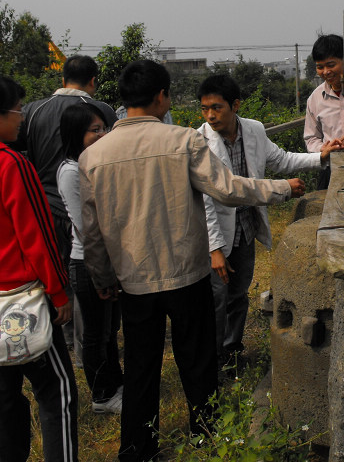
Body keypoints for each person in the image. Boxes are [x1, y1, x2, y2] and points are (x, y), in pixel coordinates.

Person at [80, 60, 306, 461]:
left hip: (135, 282)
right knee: (198, 362)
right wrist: (281, 188)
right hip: (186, 274)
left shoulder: (93, 156)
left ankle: (136, 449)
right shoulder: (183, 141)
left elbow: (92, 231)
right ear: (162, 96)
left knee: (141, 368)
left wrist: (102, 277)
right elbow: (228, 189)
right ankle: (206, 434)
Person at [197, 74, 342, 365]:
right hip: (216, 234)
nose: (210, 115)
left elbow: (281, 159)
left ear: (235, 105)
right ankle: (210, 359)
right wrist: (213, 249)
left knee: (238, 294)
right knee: (215, 299)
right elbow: (206, 201)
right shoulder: (199, 141)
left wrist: (320, 157)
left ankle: (232, 349)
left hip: (245, 227)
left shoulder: (253, 130)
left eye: (217, 107)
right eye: (204, 108)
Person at [13, 55, 117, 352]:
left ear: (62, 79)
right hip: (89, 211)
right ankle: (88, 346)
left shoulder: (33, 111)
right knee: (87, 276)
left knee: (58, 277)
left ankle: (63, 339)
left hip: (45, 210)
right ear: (94, 81)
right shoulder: (100, 111)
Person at [0, 76, 79, 462]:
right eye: (17, 109)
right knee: (57, 390)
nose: (21, 118)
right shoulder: (11, 163)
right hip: (22, 300)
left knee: (4, 398)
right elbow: (37, 235)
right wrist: (59, 292)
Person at [57, 102, 124, 414]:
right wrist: (101, 270)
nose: (102, 134)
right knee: (95, 334)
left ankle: (115, 384)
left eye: (103, 128)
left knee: (110, 331)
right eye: (94, 130)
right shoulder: (71, 171)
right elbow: (85, 227)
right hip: (87, 262)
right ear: (76, 134)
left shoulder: (94, 164)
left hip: (106, 259)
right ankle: (101, 395)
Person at [304, 34, 344, 189]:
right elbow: (311, 139)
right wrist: (325, 148)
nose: (326, 72)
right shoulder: (315, 99)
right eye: (320, 67)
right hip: (331, 170)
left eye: (331, 65)